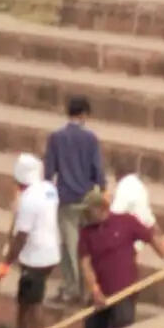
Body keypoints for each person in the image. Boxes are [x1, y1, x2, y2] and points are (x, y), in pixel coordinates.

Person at [78, 186, 164, 328]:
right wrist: (94, 290)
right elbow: (86, 265)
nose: (85, 215)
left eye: (89, 211)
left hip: (124, 293)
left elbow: (151, 238)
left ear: (101, 209)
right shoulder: (86, 233)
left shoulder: (126, 221)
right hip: (101, 295)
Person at [0, 153, 60, 328]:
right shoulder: (49, 189)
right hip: (49, 252)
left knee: (34, 304)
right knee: (24, 299)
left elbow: (21, 236)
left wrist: (5, 264)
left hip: (36, 258)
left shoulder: (29, 200)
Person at [44, 96, 105, 305]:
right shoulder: (91, 139)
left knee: (69, 246)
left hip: (66, 199)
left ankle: (72, 289)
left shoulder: (56, 138)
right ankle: (87, 290)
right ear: (84, 114)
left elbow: (49, 171)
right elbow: (98, 171)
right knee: (85, 246)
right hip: (86, 199)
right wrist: (103, 190)